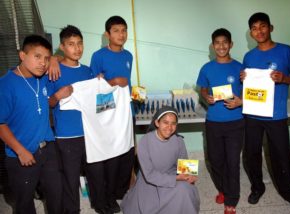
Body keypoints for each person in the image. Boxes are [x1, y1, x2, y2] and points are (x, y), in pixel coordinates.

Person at [241, 12, 290, 212]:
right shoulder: (249, 57)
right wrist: (244, 78)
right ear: (251, 33)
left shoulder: (287, 51)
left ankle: (288, 191)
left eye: (262, 26)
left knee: (282, 155)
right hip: (253, 114)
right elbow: (247, 84)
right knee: (251, 154)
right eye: (254, 28)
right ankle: (257, 187)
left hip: (276, 115)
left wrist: (284, 78)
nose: (259, 31)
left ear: (271, 27)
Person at [0, 35, 62, 214]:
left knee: (56, 195)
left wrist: (55, 60)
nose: (43, 63)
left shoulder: (42, 78)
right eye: (37, 56)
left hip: (48, 149)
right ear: (22, 55)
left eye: (46, 58)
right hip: (21, 154)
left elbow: (61, 58)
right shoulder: (5, 85)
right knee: (24, 203)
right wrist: (20, 151)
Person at [89, 15, 135, 213]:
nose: (121, 34)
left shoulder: (128, 56)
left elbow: (126, 86)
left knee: (126, 154)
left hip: (127, 112)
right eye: (116, 30)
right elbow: (94, 88)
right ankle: (106, 197)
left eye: (124, 30)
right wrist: (111, 82)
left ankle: (118, 192)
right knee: (110, 157)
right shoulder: (98, 56)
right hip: (107, 114)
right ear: (107, 34)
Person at [47, 25, 94, 214]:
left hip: (90, 134)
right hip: (67, 136)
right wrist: (58, 96)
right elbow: (49, 104)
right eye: (71, 44)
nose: (77, 48)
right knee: (70, 178)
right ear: (62, 47)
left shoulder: (89, 71)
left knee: (93, 173)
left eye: (80, 43)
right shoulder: (54, 71)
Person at [196, 28, 244, 214]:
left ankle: (232, 199)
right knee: (215, 161)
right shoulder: (206, 68)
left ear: (231, 44)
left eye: (225, 42)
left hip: (236, 122)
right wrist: (206, 95)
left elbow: (250, 91)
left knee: (232, 162)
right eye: (217, 42)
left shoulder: (240, 68)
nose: (221, 46)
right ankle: (223, 189)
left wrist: (240, 101)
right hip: (213, 122)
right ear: (212, 45)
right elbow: (203, 89)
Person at [121, 106, 200, 214]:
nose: (169, 127)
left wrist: (189, 175)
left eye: (173, 123)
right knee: (151, 206)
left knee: (185, 190)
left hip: (171, 174)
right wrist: (176, 178)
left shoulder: (178, 140)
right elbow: (149, 175)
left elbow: (184, 163)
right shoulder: (145, 142)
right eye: (165, 122)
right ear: (157, 123)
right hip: (150, 180)